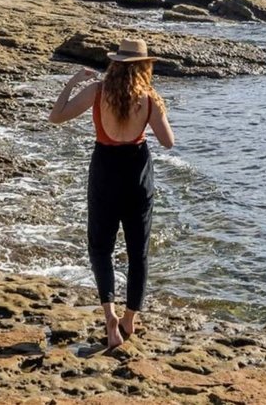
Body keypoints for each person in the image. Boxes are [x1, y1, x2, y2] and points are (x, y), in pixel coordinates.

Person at [48, 38, 174, 350]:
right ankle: (130, 318)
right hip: (137, 174)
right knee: (137, 252)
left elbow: (56, 115)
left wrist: (73, 81)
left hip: (104, 170)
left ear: (115, 63)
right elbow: (168, 142)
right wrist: (156, 111)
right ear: (144, 66)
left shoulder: (97, 91)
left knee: (101, 248)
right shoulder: (149, 98)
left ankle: (110, 317)